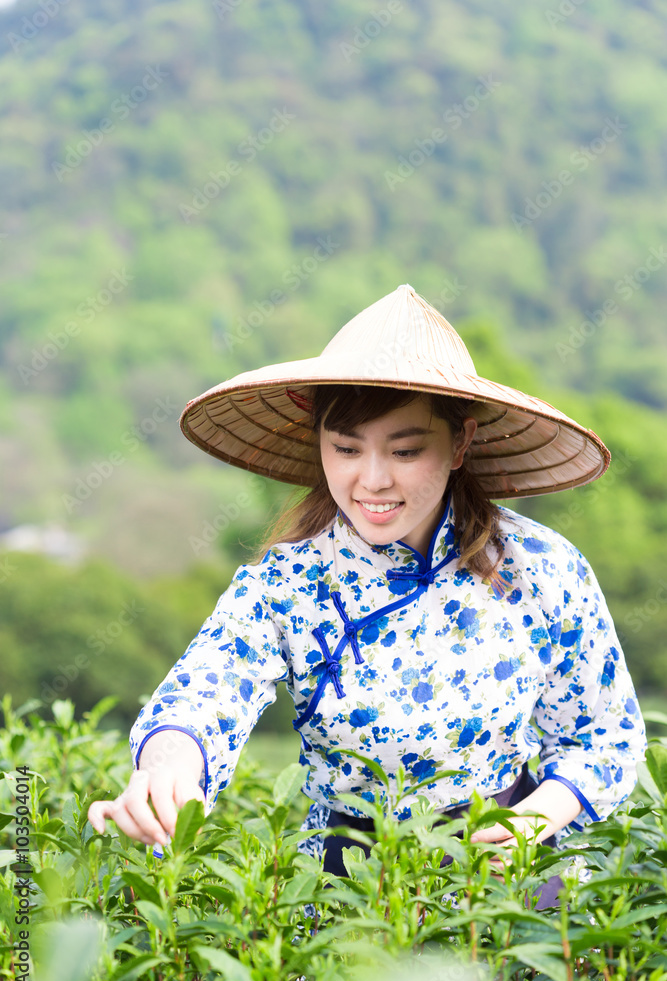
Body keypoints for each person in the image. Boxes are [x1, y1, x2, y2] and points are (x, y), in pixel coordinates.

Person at [88, 284, 646, 905]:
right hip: (341, 882)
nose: (372, 481)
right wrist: (168, 770)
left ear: (460, 442)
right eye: (346, 449)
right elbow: (207, 687)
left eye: (406, 451)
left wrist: (534, 819)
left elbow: (604, 735)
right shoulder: (289, 583)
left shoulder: (540, 569)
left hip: (506, 871)